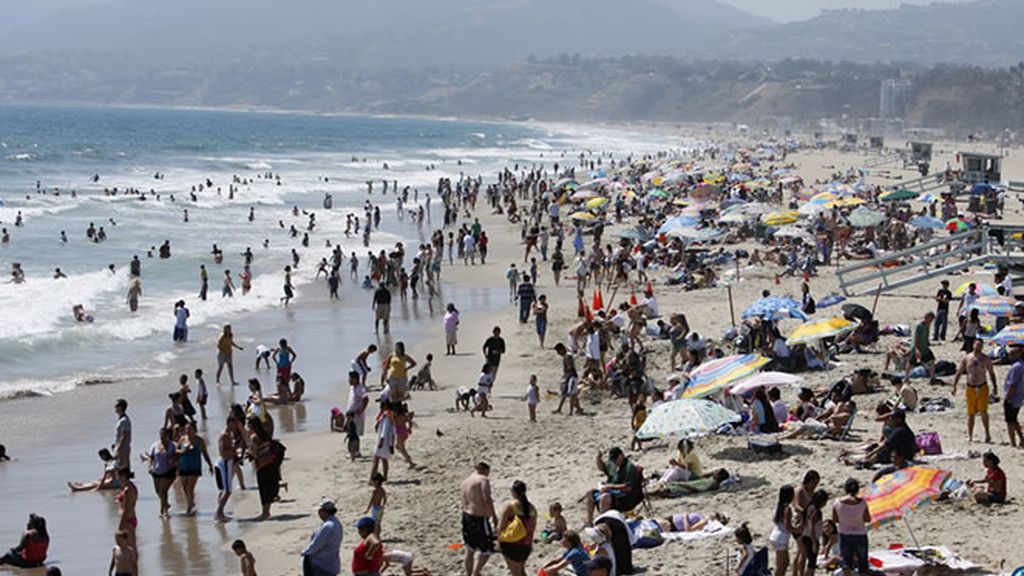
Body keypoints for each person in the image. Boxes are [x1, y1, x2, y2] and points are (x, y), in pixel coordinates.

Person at [952, 339, 998, 443]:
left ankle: (987, 433)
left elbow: (991, 373)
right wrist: (954, 386)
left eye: (980, 345)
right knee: (970, 413)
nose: (978, 347)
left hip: (982, 387)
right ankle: (970, 435)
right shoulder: (967, 358)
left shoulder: (986, 359)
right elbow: (959, 372)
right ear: (973, 345)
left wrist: (995, 386)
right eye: (977, 345)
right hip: (970, 387)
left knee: (983, 412)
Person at [586, 447, 641, 525]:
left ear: (621, 456)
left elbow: (628, 487)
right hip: (611, 491)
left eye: (616, 459)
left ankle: (603, 523)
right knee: (590, 493)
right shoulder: (613, 465)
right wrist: (599, 459)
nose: (615, 462)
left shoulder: (629, 467)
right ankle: (589, 522)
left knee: (605, 497)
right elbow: (603, 468)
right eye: (613, 460)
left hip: (624, 497)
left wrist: (611, 487)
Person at [461, 462, 497, 576]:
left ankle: (468, 574)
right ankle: (476, 573)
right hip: (479, 518)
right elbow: (487, 498)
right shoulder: (483, 479)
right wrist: (494, 516)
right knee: (487, 550)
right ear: (485, 470)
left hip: (466, 516)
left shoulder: (465, 481)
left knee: (470, 549)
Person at [497, 480, 537, 576]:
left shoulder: (510, 506)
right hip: (526, 545)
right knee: (521, 571)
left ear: (513, 492)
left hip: (511, 544)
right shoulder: (532, 508)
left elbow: (500, 527)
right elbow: (533, 528)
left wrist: (498, 541)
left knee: (515, 573)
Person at [832, 478, 871, 576]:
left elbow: (835, 519)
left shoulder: (837, 502)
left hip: (845, 534)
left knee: (846, 563)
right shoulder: (862, 503)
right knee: (863, 562)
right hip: (860, 534)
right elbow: (867, 519)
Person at [249, 417, 284, 520]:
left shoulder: (254, 437)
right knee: (269, 487)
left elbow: (255, 453)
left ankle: (265, 512)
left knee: (263, 489)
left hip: (262, 464)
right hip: (270, 463)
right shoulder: (266, 433)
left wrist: (250, 454)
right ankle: (267, 510)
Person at [176, 422, 214, 516]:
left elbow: (205, 453)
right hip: (183, 466)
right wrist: (183, 451)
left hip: (195, 467)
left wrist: (210, 465)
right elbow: (176, 450)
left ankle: (189, 508)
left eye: (189, 429)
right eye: (186, 429)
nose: (187, 431)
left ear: (194, 430)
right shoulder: (182, 439)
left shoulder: (199, 440)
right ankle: (191, 503)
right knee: (184, 488)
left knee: (190, 488)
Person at [142, 427, 178, 517]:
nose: (162, 436)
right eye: (161, 434)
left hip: (169, 471)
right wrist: (150, 466)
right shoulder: (155, 445)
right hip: (156, 471)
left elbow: (177, 455)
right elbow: (151, 457)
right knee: (157, 491)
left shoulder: (173, 445)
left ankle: (163, 511)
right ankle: (165, 504)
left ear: (168, 435)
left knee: (163, 490)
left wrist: (174, 461)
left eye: (164, 435)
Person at [303, 500, 343, 576]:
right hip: (331, 563)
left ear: (324, 512)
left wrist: (305, 552)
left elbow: (316, 544)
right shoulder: (336, 523)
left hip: (321, 564)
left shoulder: (327, 526)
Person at [215, 416, 241, 522]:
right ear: (230, 423)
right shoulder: (225, 435)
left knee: (226, 490)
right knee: (228, 490)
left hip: (228, 462)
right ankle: (218, 513)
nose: (236, 426)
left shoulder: (229, 434)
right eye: (234, 424)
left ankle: (220, 511)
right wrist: (234, 448)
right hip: (225, 462)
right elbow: (223, 451)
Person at [769, 485, 797, 576]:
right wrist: (797, 529)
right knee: (782, 565)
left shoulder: (778, 506)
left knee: (784, 562)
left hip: (776, 533)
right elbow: (787, 526)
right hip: (781, 537)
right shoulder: (787, 508)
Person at [907, 312, 937, 383]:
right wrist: (917, 350)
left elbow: (927, 335)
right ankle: (906, 377)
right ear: (927, 317)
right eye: (930, 319)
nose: (931, 321)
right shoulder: (919, 326)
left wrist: (928, 343)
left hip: (925, 348)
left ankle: (932, 377)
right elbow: (916, 338)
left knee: (932, 360)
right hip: (918, 348)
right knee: (911, 363)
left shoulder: (927, 325)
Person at [1003, 345, 1024, 447]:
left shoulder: (1017, 367)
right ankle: (1021, 438)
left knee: (1009, 421)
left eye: (1012, 354)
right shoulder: (1020, 365)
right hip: (1019, 397)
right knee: (1014, 420)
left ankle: (1013, 442)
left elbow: (1013, 384)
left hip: (1013, 397)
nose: (1010, 356)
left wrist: (1008, 397)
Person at [115, 468, 138, 549]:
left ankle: (132, 561)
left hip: (127, 520)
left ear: (123, 476)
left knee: (129, 547)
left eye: (118, 476)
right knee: (130, 545)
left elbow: (126, 508)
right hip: (130, 519)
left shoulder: (128, 490)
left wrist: (120, 525)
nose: (117, 478)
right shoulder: (130, 487)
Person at [113, 398, 132, 472]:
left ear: (121, 407)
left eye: (116, 406)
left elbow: (124, 436)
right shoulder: (121, 419)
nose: (115, 407)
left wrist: (119, 449)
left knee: (122, 469)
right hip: (120, 446)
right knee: (118, 468)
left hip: (123, 448)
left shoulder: (124, 420)